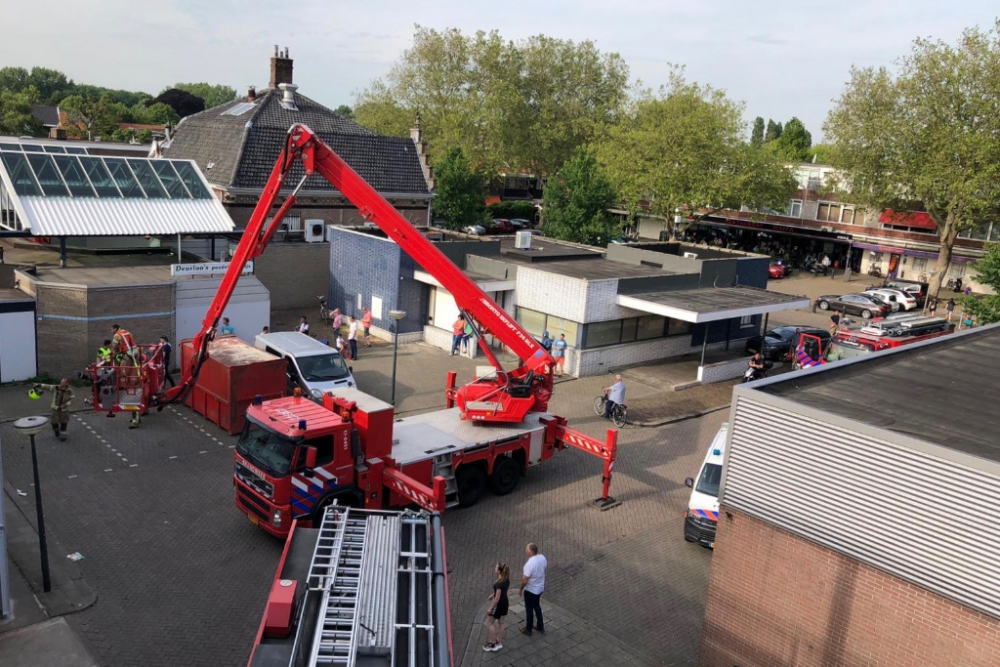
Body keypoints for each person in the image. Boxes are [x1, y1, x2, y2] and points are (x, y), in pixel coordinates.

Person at [519, 543, 547, 636]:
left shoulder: (529, 564)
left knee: (529, 609)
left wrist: (521, 589)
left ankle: (528, 629)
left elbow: (525, 580)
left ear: (531, 552)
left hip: (531, 590)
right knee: (537, 606)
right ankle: (540, 625)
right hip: (540, 588)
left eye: (527, 549)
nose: (525, 551)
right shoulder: (542, 558)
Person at [483, 562, 510, 652]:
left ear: (499, 571)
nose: (494, 568)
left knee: (490, 622)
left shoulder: (499, 583)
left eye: (496, 567)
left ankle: (493, 644)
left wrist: (491, 608)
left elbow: (497, 597)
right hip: (505, 603)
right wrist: (493, 594)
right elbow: (501, 593)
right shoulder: (506, 580)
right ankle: (499, 642)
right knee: (501, 623)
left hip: (498, 605)